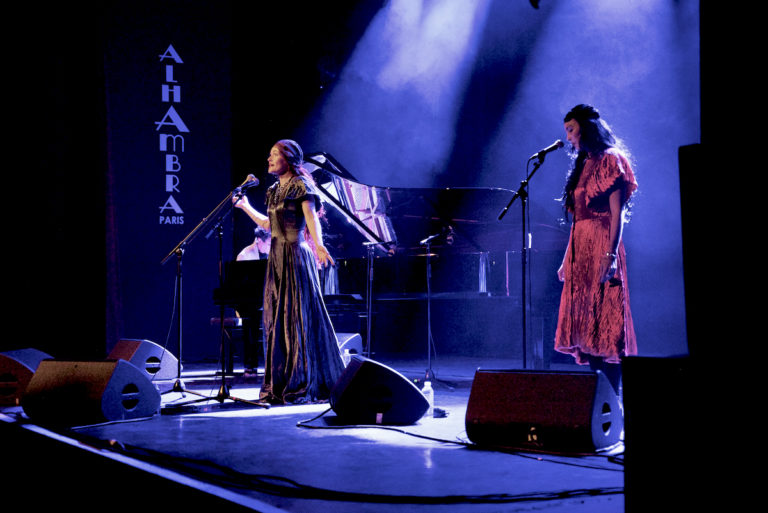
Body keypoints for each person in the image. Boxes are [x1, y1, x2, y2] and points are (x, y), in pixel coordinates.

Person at [233, 139, 345, 404]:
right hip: (276, 258)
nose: (269, 159)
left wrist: (319, 245)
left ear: (289, 159)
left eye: (274, 154)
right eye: (269, 154)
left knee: (297, 318)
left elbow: (311, 217)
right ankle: (281, 382)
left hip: (296, 254)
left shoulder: (301, 185)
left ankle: (302, 380)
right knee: (277, 321)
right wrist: (245, 206)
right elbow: (268, 224)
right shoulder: (273, 190)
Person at [554, 104, 638, 396]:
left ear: (587, 129)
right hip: (581, 251)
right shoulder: (583, 163)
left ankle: (614, 402)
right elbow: (577, 220)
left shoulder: (612, 161)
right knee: (588, 329)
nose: (568, 137)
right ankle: (601, 400)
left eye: (571, 130)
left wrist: (611, 256)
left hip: (603, 246)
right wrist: (567, 260)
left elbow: (617, 216)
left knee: (607, 327)